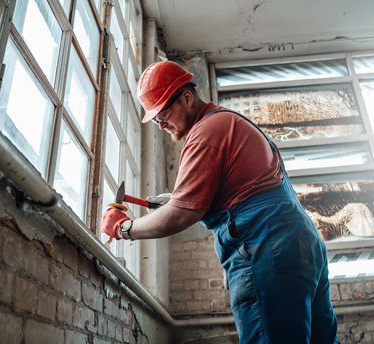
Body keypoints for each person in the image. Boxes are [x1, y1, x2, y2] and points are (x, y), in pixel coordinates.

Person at [101, 61, 339, 343]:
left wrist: (125, 228)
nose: (161, 124)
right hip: (301, 246)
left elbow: (181, 215)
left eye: (163, 113)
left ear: (187, 98)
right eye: (155, 119)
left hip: (266, 249)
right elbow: (237, 192)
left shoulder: (205, 132)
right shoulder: (229, 121)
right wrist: (178, 197)